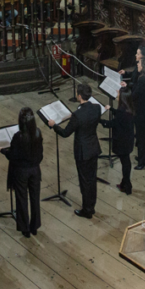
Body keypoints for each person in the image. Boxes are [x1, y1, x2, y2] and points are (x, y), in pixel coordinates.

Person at [48, 84, 102, 219]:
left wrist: (54, 126)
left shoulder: (77, 115)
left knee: (84, 182)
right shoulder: (97, 108)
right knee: (92, 179)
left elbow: (65, 133)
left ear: (79, 96)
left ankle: (87, 210)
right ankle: (91, 206)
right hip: (93, 147)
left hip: (83, 152)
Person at [0, 107, 44, 237]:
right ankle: (34, 226)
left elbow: (12, 156)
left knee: (22, 199)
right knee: (35, 198)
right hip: (35, 170)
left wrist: (2, 150)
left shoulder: (18, 137)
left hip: (21, 171)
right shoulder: (38, 133)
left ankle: (25, 228)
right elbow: (40, 155)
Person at [124, 53, 145, 170]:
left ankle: (142, 162)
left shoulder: (142, 80)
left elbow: (134, 95)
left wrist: (125, 89)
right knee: (144, 137)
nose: (138, 65)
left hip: (140, 114)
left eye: (139, 63)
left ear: (144, 66)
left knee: (141, 138)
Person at [99, 90, 135, 194]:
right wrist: (111, 109)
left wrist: (98, 120)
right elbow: (121, 116)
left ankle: (127, 185)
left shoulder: (122, 112)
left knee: (125, 162)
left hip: (122, 141)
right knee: (126, 161)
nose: (117, 94)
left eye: (118, 93)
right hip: (128, 139)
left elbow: (110, 124)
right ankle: (125, 184)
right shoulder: (129, 108)